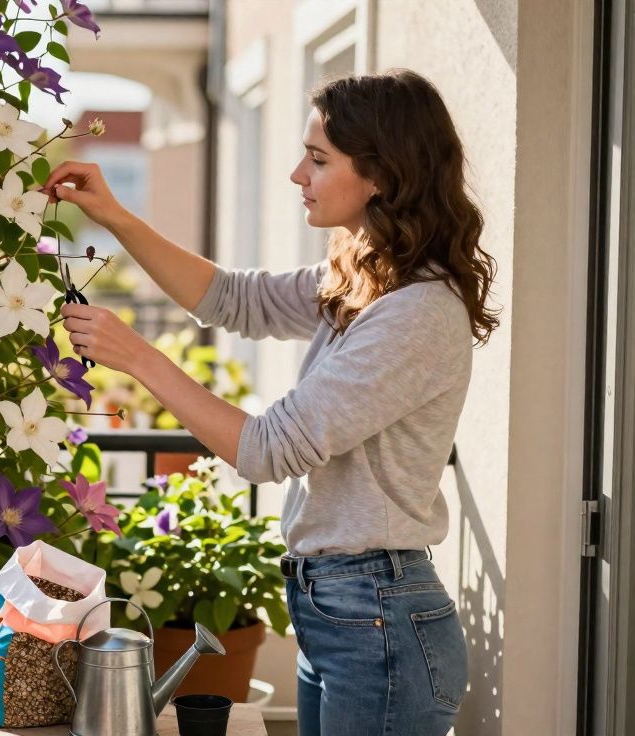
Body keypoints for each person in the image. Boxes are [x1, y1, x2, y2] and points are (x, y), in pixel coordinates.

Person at [40, 68, 498, 735]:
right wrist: (115, 216)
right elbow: (232, 298)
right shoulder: (367, 274)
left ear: (381, 174)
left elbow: (267, 449)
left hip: (378, 624)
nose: (295, 175)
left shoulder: (417, 313)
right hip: (342, 611)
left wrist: (138, 358)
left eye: (318, 160)